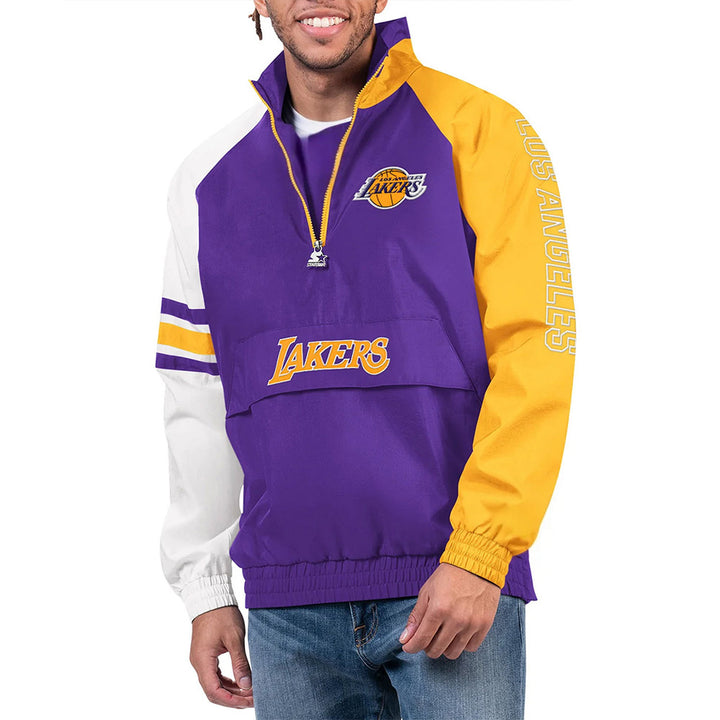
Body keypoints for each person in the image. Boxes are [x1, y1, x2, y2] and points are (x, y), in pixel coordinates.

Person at [155, 1, 575, 717]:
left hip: (449, 587)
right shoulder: (207, 179)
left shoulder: (481, 129)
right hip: (286, 610)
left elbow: (536, 349)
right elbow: (196, 390)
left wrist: (482, 551)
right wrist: (206, 586)